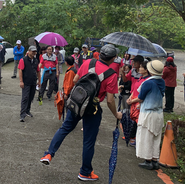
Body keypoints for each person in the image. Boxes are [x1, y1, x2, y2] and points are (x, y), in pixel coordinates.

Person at [39, 44, 122, 181]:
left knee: (65, 128)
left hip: (77, 102)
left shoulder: (88, 62)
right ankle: (85, 172)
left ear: (100, 54)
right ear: (113, 58)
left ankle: (49, 154)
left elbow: (76, 80)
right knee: (88, 141)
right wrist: (116, 115)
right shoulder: (111, 75)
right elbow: (110, 100)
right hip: (92, 109)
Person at [130, 60, 165, 170]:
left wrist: (131, 102)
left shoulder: (148, 82)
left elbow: (140, 98)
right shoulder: (162, 82)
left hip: (148, 113)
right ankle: (155, 160)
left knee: (146, 137)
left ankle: (147, 160)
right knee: (156, 137)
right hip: (159, 113)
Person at [126, 60, 151, 146]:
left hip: (139, 103)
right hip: (133, 102)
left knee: (138, 123)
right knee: (133, 121)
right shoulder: (141, 78)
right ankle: (132, 138)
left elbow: (142, 95)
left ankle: (136, 139)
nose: (139, 68)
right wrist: (130, 98)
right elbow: (135, 90)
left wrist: (132, 101)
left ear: (146, 70)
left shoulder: (147, 81)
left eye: (141, 67)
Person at [18, 46, 40, 122]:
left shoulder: (36, 60)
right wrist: (21, 81)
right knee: (25, 97)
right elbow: (20, 70)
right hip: (26, 81)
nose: (34, 52)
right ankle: (22, 114)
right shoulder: (23, 60)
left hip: (33, 81)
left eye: (35, 51)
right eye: (32, 51)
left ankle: (27, 110)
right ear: (29, 51)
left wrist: (39, 81)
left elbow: (38, 71)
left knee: (31, 97)